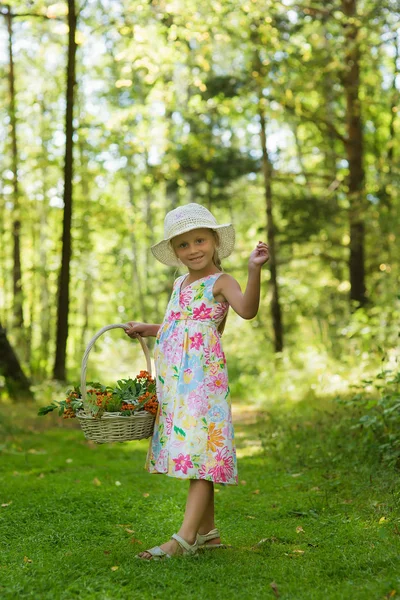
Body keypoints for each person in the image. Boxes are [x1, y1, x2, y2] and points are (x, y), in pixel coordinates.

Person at [125, 203, 269, 559]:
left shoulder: (222, 281)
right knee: (194, 450)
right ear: (175, 252)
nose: (193, 250)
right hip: (177, 381)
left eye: (200, 240)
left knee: (201, 452)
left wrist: (254, 270)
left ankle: (184, 538)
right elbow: (181, 326)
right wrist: (151, 329)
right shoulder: (179, 284)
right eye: (184, 245)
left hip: (203, 380)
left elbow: (247, 310)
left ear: (215, 241)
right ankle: (208, 533)